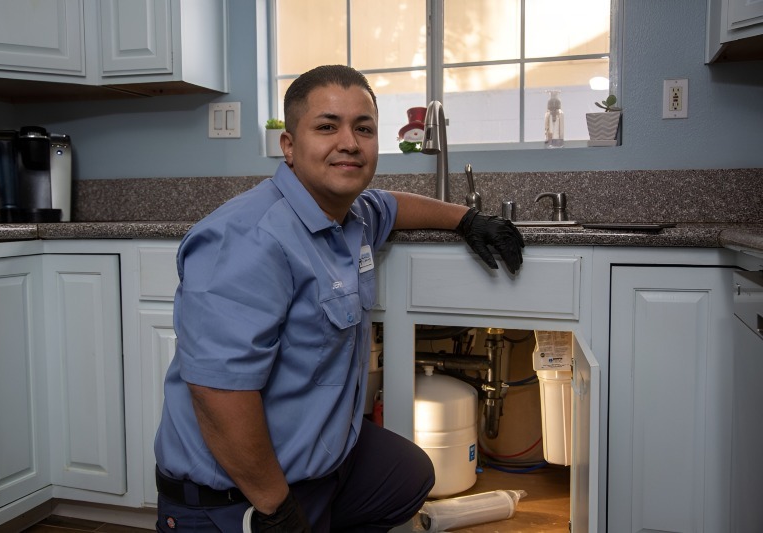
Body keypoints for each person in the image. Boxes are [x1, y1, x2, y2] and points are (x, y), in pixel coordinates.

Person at [154, 64, 524, 533]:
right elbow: (218, 394)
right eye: (327, 126)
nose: (349, 142)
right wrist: (275, 509)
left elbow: (392, 204)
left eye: (363, 129)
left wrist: (466, 219)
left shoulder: (349, 216)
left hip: (319, 468)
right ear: (289, 146)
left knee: (408, 474)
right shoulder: (246, 239)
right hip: (236, 499)